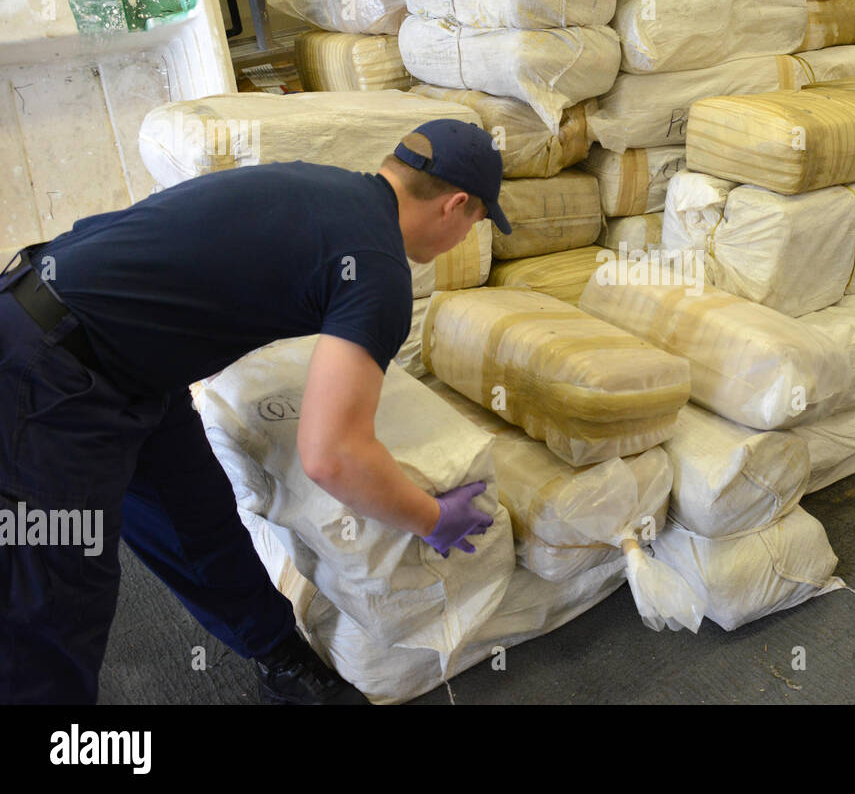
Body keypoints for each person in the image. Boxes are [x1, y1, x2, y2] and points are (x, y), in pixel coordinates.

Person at [0, 119, 507, 705]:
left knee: (197, 518)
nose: (469, 235)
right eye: (478, 223)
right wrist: (429, 518)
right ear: (457, 205)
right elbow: (332, 456)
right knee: (52, 599)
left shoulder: (329, 189)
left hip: (118, 360)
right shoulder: (379, 267)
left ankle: (282, 660)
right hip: (44, 374)